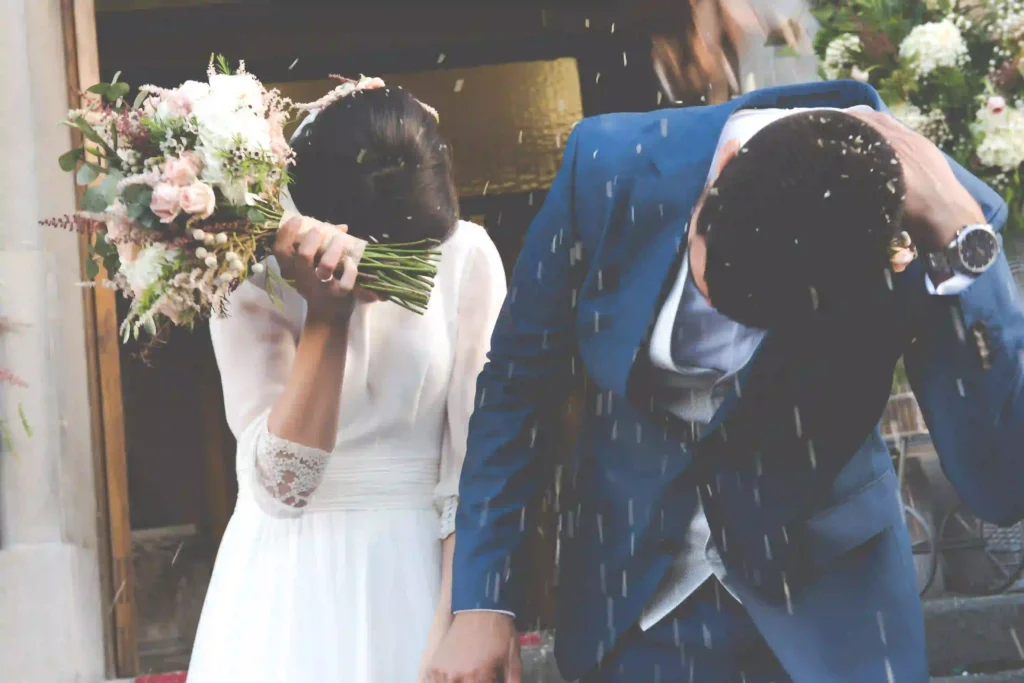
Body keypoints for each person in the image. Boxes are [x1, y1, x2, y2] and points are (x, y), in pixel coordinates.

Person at [428, 80, 1024, 682]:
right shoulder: (610, 167)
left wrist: (964, 243)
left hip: (830, 608)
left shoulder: (935, 223)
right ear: (722, 168)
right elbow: (517, 386)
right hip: (633, 603)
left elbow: (1000, 484)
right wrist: (484, 600)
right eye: (705, 282)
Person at [186, 82, 506, 683]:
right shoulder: (245, 272)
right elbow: (280, 489)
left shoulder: (466, 256)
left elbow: (476, 468)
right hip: (289, 582)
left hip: (422, 567)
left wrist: (457, 617)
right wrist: (327, 315)